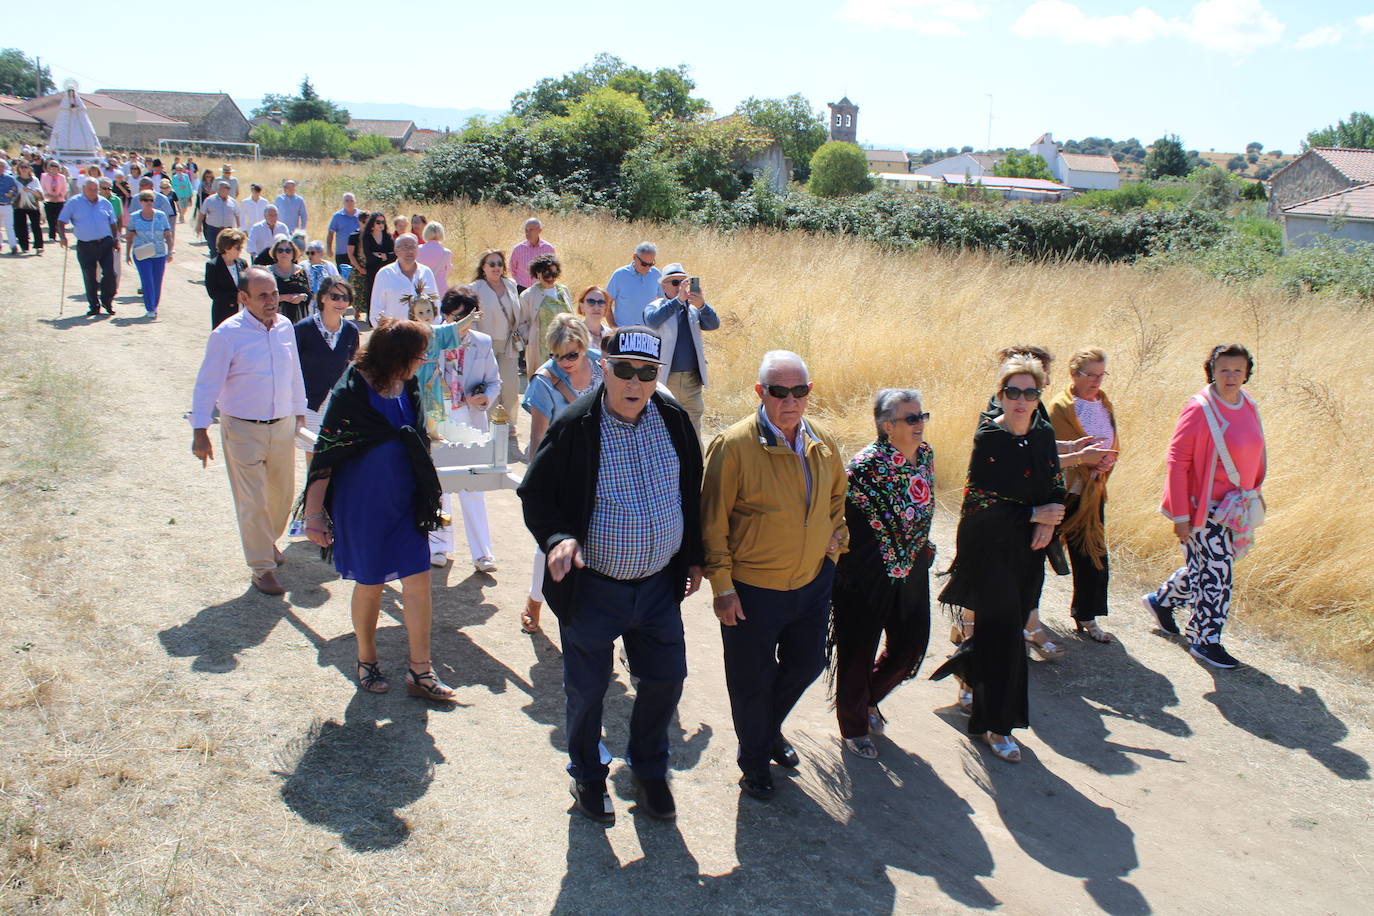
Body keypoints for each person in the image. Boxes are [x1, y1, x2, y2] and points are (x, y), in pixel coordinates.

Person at [517, 325, 704, 825]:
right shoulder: (576, 425)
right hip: (595, 588)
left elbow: (692, 489)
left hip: (659, 588)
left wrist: (694, 555)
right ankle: (588, 775)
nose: (635, 383)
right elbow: (537, 494)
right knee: (589, 689)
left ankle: (647, 768)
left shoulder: (672, 419)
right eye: (624, 370)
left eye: (647, 373)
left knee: (666, 679)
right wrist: (559, 539)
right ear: (604, 366)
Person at [701, 350, 848, 801]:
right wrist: (722, 587)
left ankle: (765, 732)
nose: (791, 400)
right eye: (779, 391)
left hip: (811, 583)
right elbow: (712, 523)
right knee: (751, 680)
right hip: (751, 590)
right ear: (760, 392)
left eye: (799, 391)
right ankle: (753, 762)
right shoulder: (734, 445)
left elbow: (837, 499)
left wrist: (836, 542)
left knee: (808, 662)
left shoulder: (820, 441)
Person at [299, 319, 456, 702]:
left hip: (407, 502)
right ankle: (366, 660)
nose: (422, 362)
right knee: (369, 584)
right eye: (417, 356)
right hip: (362, 505)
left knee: (418, 581)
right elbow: (327, 451)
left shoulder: (411, 384)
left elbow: (419, 437)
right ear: (396, 356)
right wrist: (314, 513)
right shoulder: (353, 389)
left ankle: (421, 670)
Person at [931, 355, 1066, 764]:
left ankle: (968, 672)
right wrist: (1031, 515)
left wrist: (1050, 521)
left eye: (1029, 393)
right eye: (1013, 392)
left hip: (1029, 553)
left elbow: (1055, 482)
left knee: (1001, 632)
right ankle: (997, 725)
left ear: (1039, 396)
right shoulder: (990, 439)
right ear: (1000, 396)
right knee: (1007, 641)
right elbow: (978, 507)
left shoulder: (1043, 433)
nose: (1020, 400)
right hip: (992, 552)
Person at [1142, 344, 1266, 669]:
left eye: (1238, 370)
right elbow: (1176, 461)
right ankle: (1205, 640)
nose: (1231, 376)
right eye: (1224, 369)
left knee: (1208, 567)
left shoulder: (1247, 404)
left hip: (1235, 507)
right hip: (1204, 510)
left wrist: (1255, 492)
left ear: (1247, 373)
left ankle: (1161, 601)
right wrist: (1180, 515)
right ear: (1211, 369)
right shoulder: (1200, 408)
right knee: (1218, 573)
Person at [830, 389, 935, 760]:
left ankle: (867, 698)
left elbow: (924, 508)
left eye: (922, 416)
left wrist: (922, 545)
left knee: (910, 647)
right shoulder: (864, 468)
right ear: (887, 426)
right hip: (865, 574)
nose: (920, 423)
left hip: (912, 570)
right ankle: (854, 726)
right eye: (911, 418)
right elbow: (841, 522)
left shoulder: (925, 456)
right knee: (857, 653)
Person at [189, 267, 307, 596]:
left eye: (274, 294)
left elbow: (294, 371)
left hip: (282, 425)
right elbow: (207, 384)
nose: (272, 302)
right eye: (263, 296)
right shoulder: (227, 335)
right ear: (243, 298)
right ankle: (261, 567)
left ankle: (265, 540)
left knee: (281, 497)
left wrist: (300, 412)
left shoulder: (285, 327)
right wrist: (200, 429)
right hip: (242, 428)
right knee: (252, 501)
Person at [518, 313, 605, 634]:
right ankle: (534, 602)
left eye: (571, 354)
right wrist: (541, 488)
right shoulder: (544, 381)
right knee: (552, 544)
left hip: (604, 467)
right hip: (563, 473)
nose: (564, 362)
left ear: (584, 346)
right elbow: (538, 439)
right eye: (557, 355)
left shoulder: (600, 365)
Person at [421, 289, 501, 573]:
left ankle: (482, 554)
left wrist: (485, 399)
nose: (462, 323)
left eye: (467, 317)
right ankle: (439, 546)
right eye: (455, 316)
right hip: (439, 422)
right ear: (445, 315)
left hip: (471, 421)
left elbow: (494, 381)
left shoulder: (482, 342)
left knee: (472, 488)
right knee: (440, 488)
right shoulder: (432, 338)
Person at [1046, 348, 1120, 643]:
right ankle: (1023, 614)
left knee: (1092, 553)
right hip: (1064, 492)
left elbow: (1114, 440)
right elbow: (1049, 451)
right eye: (1091, 375)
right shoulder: (1060, 407)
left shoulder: (1104, 403)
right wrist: (1084, 459)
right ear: (1074, 374)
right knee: (1034, 551)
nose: (1097, 381)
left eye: (1102, 374)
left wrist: (1106, 461)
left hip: (1093, 491)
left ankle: (1086, 616)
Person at [643, 263, 720, 435]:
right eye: (675, 283)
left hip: (692, 379)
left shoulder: (693, 309)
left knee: (693, 429)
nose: (681, 288)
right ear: (664, 285)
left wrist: (702, 305)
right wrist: (678, 301)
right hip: (666, 378)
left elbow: (713, 324)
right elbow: (653, 321)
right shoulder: (655, 306)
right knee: (666, 426)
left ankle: (695, 462)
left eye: (684, 283)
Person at [294, 278, 360, 464]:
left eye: (345, 297)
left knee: (337, 454)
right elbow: (292, 367)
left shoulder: (351, 331)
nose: (340, 302)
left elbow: (352, 368)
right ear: (322, 298)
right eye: (335, 296)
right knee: (314, 455)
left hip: (339, 404)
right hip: (311, 403)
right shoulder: (303, 329)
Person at [470, 249, 531, 448]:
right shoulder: (475, 287)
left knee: (511, 386)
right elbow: (472, 317)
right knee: (490, 385)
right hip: (486, 344)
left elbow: (520, 315)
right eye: (491, 264)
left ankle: (509, 422)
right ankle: (490, 424)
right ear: (483, 268)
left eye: (499, 264)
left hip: (509, 343)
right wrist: (476, 343)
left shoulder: (511, 285)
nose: (496, 268)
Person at [57, 178, 121, 317]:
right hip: (85, 245)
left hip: (105, 242)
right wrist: (62, 237)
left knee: (110, 274)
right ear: (83, 188)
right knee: (89, 276)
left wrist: (116, 239)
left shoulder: (105, 203)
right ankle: (94, 305)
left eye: (95, 189)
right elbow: (61, 221)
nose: (93, 192)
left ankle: (107, 301)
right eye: (90, 189)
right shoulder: (74, 202)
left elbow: (113, 223)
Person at [124, 190, 174, 317]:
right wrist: (127, 253)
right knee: (147, 280)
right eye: (146, 200)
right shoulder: (135, 217)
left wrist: (170, 251)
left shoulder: (161, 215)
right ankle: (150, 307)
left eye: (151, 200)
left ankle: (154, 305)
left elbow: (168, 234)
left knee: (157, 281)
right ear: (140, 202)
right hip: (142, 253)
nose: (148, 202)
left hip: (159, 253)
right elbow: (129, 236)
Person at [518, 254, 573, 369]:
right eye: (546, 274)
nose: (551, 278)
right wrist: (530, 338)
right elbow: (522, 322)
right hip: (541, 348)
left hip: (565, 345)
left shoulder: (563, 291)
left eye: (554, 274)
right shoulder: (528, 295)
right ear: (538, 273)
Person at [370, 234, 437, 326]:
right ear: (396, 250)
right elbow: (376, 309)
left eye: (413, 247)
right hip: (396, 333)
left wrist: (434, 329)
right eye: (405, 247)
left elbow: (435, 303)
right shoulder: (384, 274)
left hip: (424, 333)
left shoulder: (426, 272)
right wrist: (384, 333)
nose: (410, 251)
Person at [605, 241, 661, 326]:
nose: (647, 268)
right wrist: (614, 328)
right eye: (644, 264)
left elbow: (662, 302)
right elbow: (606, 303)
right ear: (634, 257)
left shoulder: (656, 275)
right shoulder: (619, 275)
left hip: (648, 334)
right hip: (624, 333)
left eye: (651, 264)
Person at [205, 228, 248, 329]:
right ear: (227, 247)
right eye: (237, 247)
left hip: (243, 312)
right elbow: (213, 292)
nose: (241, 250)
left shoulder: (242, 263)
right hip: (223, 313)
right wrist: (235, 297)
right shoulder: (213, 266)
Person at [360, 212, 395, 320]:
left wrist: (382, 256)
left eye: (383, 222)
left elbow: (394, 255)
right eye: (378, 222)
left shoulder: (388, 237)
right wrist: (384, 257)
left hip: (387, 270)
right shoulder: (367, 237)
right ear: (372, 224)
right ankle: (371, 318)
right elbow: (369, 256)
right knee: (371, 293)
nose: (381, 224)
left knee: (387, 294)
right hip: (372, 270)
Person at [268, 238, 311, 323]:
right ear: (275, 253)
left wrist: (302, 297)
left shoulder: (301, 271)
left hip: (298, 317)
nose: (284, 253)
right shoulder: (268, 272)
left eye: (288, 250)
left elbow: (309, 295)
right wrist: (284, 298)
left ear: (293, 253)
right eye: (280, 250)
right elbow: (263, 297)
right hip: (274, 318)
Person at [510, 217, 555, 291]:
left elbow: (552, 269)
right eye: (526, 230)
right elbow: (512, 269)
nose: (528, 233)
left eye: (531, 230)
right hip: (521, 289)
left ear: (539, 230)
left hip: (541, 289)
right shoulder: (518, 249)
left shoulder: (548, 248)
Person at [11, 160, 44, 255]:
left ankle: (39, 246)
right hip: (19, 205)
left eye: (26, 167)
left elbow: (40, 195)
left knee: (36, 226)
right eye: (22, 167)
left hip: (33, 205)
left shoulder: (34, 180)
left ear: (29, 168)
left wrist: (31, 190)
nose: (24, 169)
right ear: (18, 169)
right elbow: (12, 192)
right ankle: (24, 246)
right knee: (20, 227)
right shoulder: (15, 179)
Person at [197, 181, 239, 253]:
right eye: (226, 188)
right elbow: (202, 213)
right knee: (214, 250)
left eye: (229, 188)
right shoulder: (210, 200)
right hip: (213, 229)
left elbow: (237, 214)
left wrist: (238, 228)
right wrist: (198, 226)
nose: (228, 190)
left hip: (228, 230)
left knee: (227, 250)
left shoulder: (233, 202)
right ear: (219, 189)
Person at [302, 241, 342, 310]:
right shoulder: (303, 266)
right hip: (309, 301)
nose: (309, 256)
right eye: (307, 253)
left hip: (327, 300)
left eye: (312, 253)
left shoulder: (330, 266)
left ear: (321, 253)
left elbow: (337, 282)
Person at [416, 221, 452, 294]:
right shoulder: (446, 253)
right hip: (440, 287)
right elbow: (448, 270)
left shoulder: (418, 249)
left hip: (422, 286)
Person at [326, 193, 360, 267]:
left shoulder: (361, 215)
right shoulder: (337, 216)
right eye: (346, 201)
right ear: (343, 202)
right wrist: (329, 249)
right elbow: (331, 233)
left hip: (357, 253)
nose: (349, 203)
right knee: (343, 277)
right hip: (342, 253)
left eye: (351, 200)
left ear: (355, 202)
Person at [41, 161, 68, 242]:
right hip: (48, 201)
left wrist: (59, 196)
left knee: (59, 219)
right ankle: (52, 236)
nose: (53, 168)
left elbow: (64, 189)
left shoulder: (62, 177)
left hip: (59, 200)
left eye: (55, 166)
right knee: (50, 219)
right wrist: (49, 196)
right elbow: (42, 188)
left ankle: (60, 234)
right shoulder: (44, 176)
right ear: (48, 168)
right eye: (51, 166)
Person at [0, 161, 17, 254]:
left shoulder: (10, 178)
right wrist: (5, 194)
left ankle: (13, 245)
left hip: (7, 205)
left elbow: (15, 190)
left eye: (2, 166)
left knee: (9, 226)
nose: (0, 168)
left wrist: (12, 193)